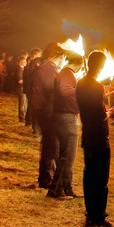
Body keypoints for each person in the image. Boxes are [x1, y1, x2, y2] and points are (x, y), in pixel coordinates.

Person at [75, 50, 114, 227]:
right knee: (100, 178)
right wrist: (111, 112)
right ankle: (99, 215)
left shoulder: (81, 83)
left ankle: (90, 214)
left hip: (88, 135)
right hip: (99, 136)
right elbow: (100, 115)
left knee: (89, 175)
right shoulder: (96, 86)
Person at [47, 53, 82, 200]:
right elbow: (66, 91)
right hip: (66, 118)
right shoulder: (67, 74)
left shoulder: (67, 74)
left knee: (69, 156)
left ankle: (67, 188)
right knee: (66, 156)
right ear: (79, 63)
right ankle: (56, 190)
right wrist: (82, 90)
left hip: (67, 116)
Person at [34, 43, 65, 188]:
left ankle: (49, 176)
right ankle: (47, 179)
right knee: (51, 145)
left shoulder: (48, 67)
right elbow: (51, 87)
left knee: (51, 144)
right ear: (58, 55)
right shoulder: (49, 68)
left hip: (46, 109)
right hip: (48, 110)